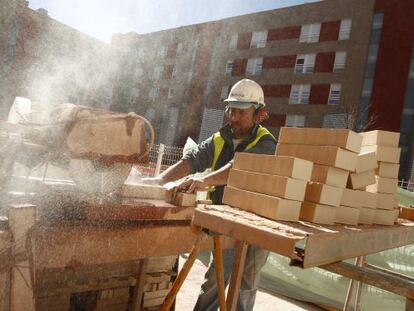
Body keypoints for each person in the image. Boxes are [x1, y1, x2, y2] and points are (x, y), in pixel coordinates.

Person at [143, 78, 276, 311]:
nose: (233, 117)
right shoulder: (220, 138)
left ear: (258, 114)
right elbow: (192, 160)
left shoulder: (265, 142)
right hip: (225, 222)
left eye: (241, 112)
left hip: (257, 224)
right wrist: (160, 180)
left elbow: (240, 166)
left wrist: (205, 180)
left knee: (246, 284)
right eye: (231, 110)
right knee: (215, 280)